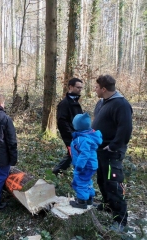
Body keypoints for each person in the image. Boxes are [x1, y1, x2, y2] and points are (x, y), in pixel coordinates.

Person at [92, 75, 132, 232]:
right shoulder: (102, 102)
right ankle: (107, 205)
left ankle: (121, 220)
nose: (94, 89)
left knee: (115, 185)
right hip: (100, 150)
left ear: (103, 89)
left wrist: (114, 146)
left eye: (96, 87)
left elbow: (125, 128)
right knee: (102, 181)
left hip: (112, 152)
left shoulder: (121, 104)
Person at [69, 113, 102, 209]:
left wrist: (79, 166)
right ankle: (89, 199)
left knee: (80, 181)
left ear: (77, 126)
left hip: (85, 165)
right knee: (87, 180)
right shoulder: (89, 135)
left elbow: (84, 154)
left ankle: (81, 202)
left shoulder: (82, 139)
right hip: (91, 165)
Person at [52, 78, 83, 175]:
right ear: (70, 87)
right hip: (71, 136)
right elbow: (62, 122)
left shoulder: (75, 102)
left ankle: (56, 172)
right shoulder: (64, 103)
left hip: (78, 135)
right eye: (78, 87)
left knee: (72, 155)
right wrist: (71, 135)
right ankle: (56, 173)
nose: (80, 90)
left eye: (81, 88)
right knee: (75, 156)